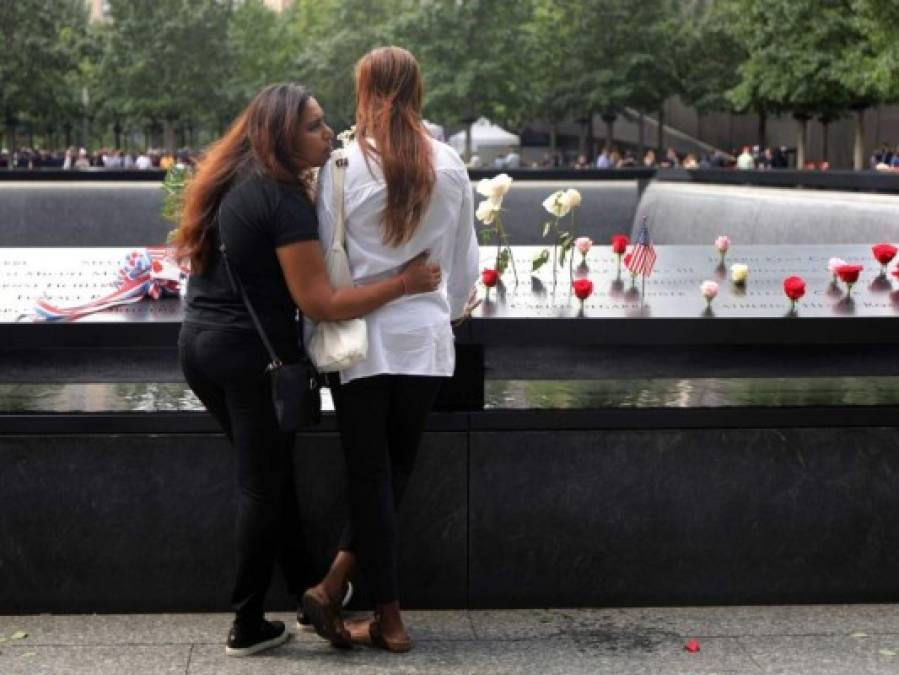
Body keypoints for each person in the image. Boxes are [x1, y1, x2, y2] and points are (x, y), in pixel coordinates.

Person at [173, 82, 442, 658]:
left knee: (271, 473)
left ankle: (306, 593)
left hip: (199, 345)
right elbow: (320, 302)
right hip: (248, 357)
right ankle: (246, 624)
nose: (329, 133)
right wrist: (404, 283)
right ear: (282, 134)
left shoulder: (231, 179)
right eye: (316, 125)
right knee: (261, 483)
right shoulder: (281, 199)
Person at [302, 46, 478, 654]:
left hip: (361, 344)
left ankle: (388, 617)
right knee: (393, 471)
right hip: (424, 343)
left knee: (370, 476)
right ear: (417, 91)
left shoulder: (342, 167)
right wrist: (443, 310)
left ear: (365, 92)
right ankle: (335, 587)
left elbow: (329, 261)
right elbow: (462, 270)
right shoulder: (451, 165)